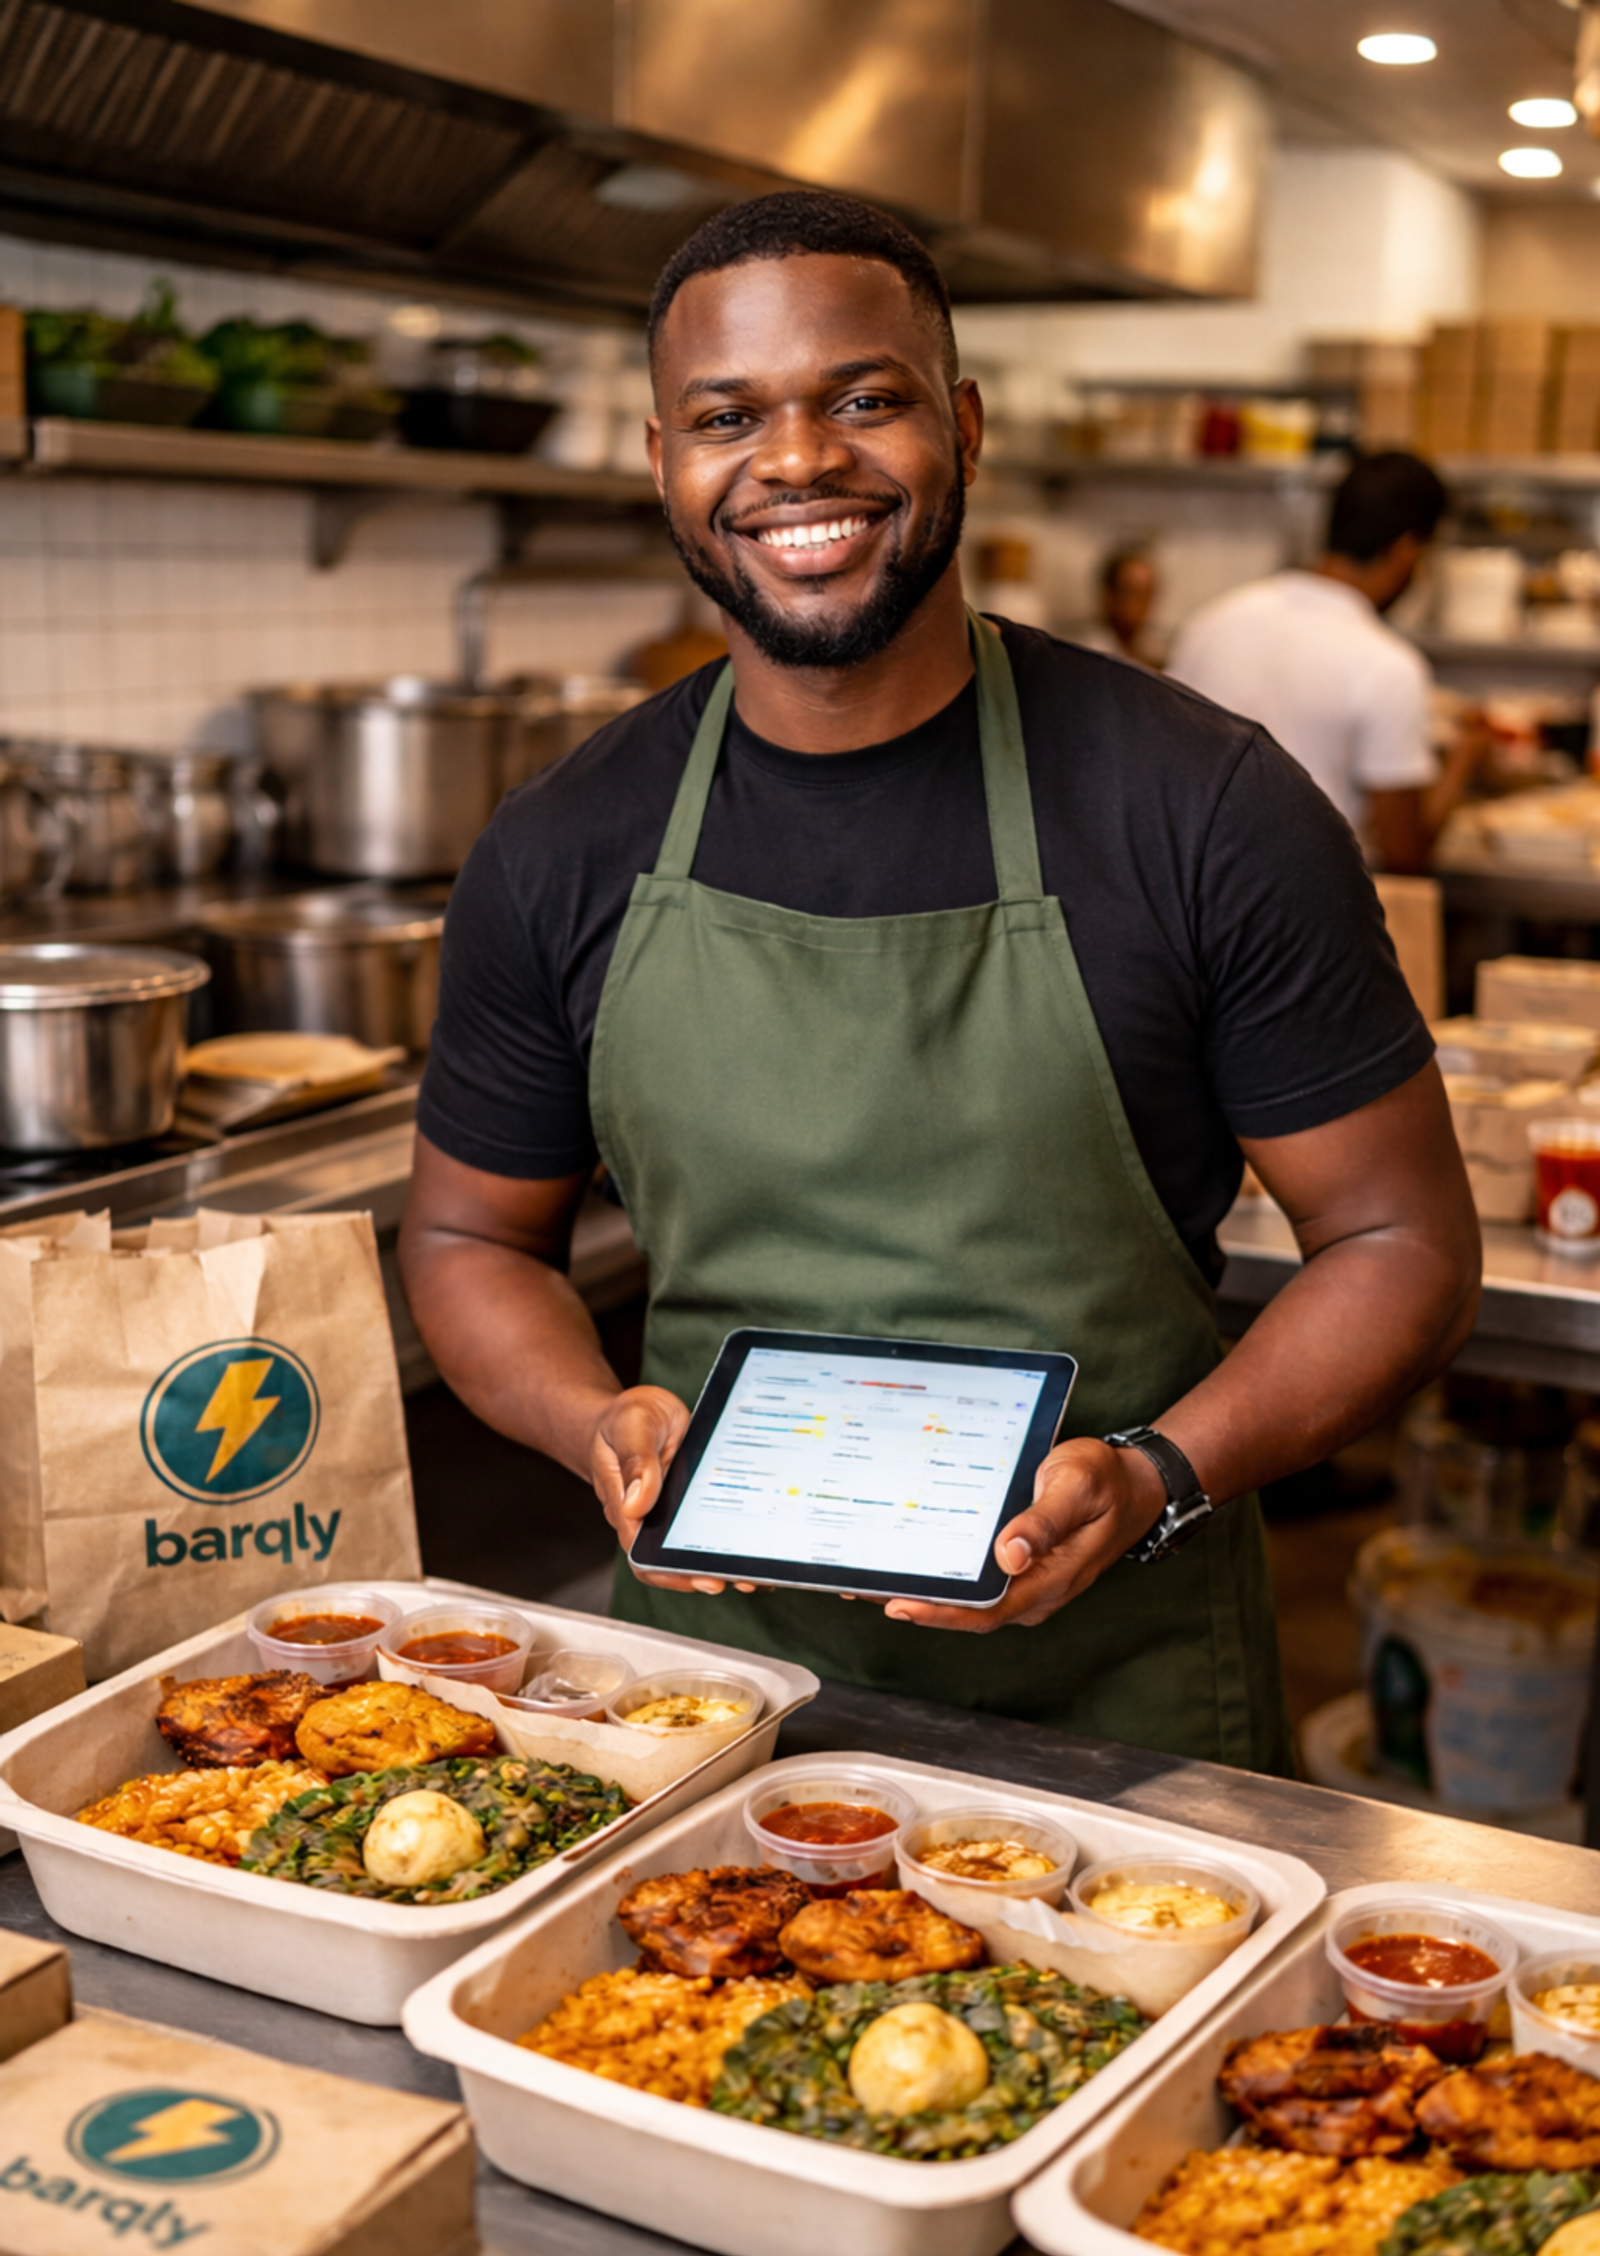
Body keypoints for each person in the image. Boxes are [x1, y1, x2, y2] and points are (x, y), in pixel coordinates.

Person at [399, 192, 1481, 1772]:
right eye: (727, 416)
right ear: (663, 466)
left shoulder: (1201, 806)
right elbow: (468, 1233)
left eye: (864, 397)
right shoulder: (568, 841)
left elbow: (1400, 1241)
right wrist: (589, 1419)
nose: (797, 461)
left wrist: (1162, 1473)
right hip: (715, 1713)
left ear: (960, 426)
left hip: (1132, 1697)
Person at [1166, 452, 1483, 873]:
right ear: (1407, 551)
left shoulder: (1211, 622)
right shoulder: (1387, 666)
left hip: (1194, 908)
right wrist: (1466, 759)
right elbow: (1405, 851)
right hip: (1307, 920)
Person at [1069, 544, 1163, 668]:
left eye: (1148, 595)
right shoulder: (1085, 656)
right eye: (1131, 593)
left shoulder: (1156, 656)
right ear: (1109, 595)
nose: (1142, 605)